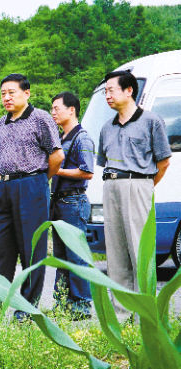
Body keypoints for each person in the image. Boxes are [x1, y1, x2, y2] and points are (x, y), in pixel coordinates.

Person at [0, 73, 64, 322]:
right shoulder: (0, 123)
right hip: (5, 188)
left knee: (31, 247)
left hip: (32, 184)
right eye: (3, 93)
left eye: (11, 92)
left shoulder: (40, 118)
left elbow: (57, 155)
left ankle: (26, 309)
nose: (6, 97)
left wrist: (38, 180)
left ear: (26, 93)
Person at [97, 70, 171, 296]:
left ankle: (145, 310)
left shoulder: (151, 121)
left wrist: (144, 186)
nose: (107, 95)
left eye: (111, 90)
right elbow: (104, 161)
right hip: (111, 186)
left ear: (129, 91)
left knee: (140, 249)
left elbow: (164, 162)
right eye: (105, 91)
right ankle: (121, 313)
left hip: (138, 184)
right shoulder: (106, 127)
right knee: (116, 252)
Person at [50, 92, 95, 319]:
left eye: (57, 108)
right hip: (58, 202)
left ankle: (81, 305)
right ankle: (63, 302)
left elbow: (87, 172)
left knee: (76, 255)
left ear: (72, 110)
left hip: (73, 201)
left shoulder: (82, 137)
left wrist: (56, 170)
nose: (53, 112)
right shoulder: (60, 138)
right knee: (61, 255)